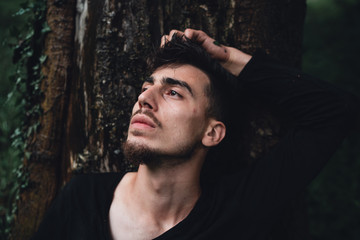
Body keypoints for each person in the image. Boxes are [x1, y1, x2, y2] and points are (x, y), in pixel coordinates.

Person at [31, 29, 359, 240]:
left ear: (212, 133)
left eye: (174, 93)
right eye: (146, 88)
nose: (144, 99)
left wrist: (228, 58)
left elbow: (334, 111)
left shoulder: (239, 212)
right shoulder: (81, 199)